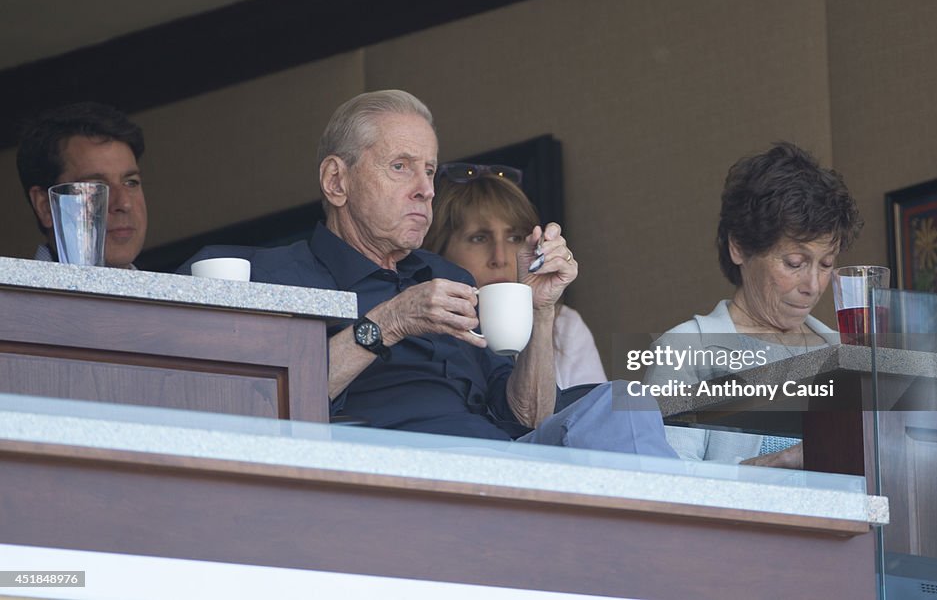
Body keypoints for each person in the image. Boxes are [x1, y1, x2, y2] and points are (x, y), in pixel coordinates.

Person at [181, 89, 675, 457]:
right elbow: (242, 406)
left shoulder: (451, 276)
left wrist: (540, 311)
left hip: (503, 467)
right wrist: (390, 323)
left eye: (429, 171)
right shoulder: (264, 274)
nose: (426, 189)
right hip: (385, 476)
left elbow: (528, 417)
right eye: (401, 167)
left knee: (621, 399)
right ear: (337, 181)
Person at [644, 142, 862, 467]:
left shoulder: (843, 354)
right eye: (793, 263)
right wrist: (776, 465)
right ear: (740, 248)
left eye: (826, 264)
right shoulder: (685, 351)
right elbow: (670, 495)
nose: (814, 286)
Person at [422, 167, 607, 390]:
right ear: (438, 249)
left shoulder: (562, 324)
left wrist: (541, 316)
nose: (500, 258)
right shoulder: (418, 321)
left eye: (514, 237)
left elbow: (594, 418)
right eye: (479, 238)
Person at [16, 102, 148, 269]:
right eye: (95, 187)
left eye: (131, 182)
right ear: (46, 206)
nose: (124, 203)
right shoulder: (12, 296)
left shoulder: (172, 293)